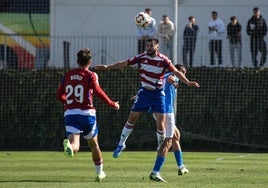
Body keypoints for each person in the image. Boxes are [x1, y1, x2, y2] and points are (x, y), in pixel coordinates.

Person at [95, 38, 199, 182]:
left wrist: (187, 82)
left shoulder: (164, 60)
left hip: (157, 95)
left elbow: (174, 73)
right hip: (145, 92)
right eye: (147, 45)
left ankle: (169, 158)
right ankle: (121, 144)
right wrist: (107, 67)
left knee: (164, 128)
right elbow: (124, 63)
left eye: (151, 45)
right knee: (132, 117)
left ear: (157, 47)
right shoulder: (141, 57)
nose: (148, 47)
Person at [56, 48, 120, 182]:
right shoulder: (91, 75)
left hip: (70, 114)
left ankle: (70, 146)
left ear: (77, 61)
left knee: (75, 145)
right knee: (93, 144)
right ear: (90, 62)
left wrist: (67, 103)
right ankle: (99, 173)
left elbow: (59, 95)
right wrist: (112, 103)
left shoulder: (67, 75)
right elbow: (98, 91)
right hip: (87, 114)